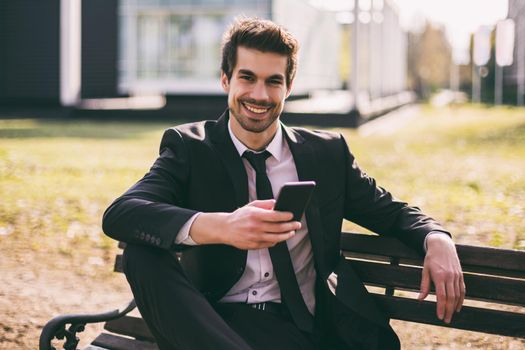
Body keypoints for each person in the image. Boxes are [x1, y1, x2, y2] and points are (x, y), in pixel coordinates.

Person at [103, 17, 465, 350]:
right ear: (226, 80)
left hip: (307, 326)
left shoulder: (327, 154)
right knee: (140, 254)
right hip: (222, 325)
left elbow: (390, 211)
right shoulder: (190, 149)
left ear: (289, 86)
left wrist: (435, 237)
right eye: (247, 78)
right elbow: (122, 214)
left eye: (273, 81)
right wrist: (221, 227)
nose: (259, 96)